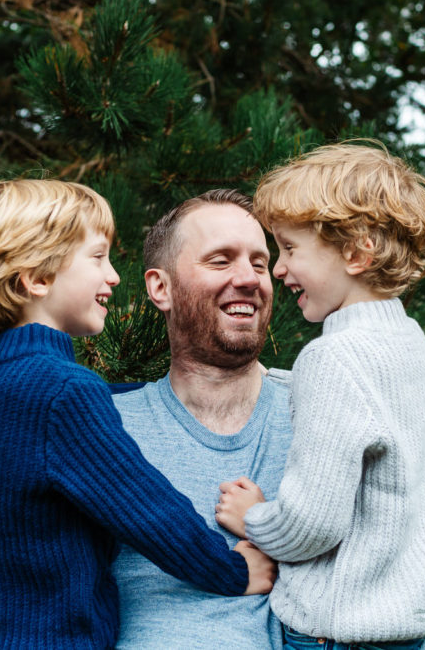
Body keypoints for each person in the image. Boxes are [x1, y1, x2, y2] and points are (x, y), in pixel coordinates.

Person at [0, 179, 275, 650]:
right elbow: (149, 512)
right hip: (61, 639)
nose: (114, 276)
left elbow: (51, 433)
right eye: (97, 258)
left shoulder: (6, 372)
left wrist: (121, 395)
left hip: (7, 631)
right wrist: (234, 570)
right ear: (37, 278)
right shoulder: (64, 392)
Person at [214, 143, 425, 650]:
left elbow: (314, 526)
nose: (278, 270)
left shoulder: (332, 359)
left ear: (356, 251)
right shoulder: (408, 341)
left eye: (289, 249)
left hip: (344, 631)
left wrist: (255, 519)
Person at [110, 189, 294, 649]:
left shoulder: (318, 407)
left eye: (258, 262)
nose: (249, 279)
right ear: (161, 288)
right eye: (220, 260)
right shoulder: (108, 426)